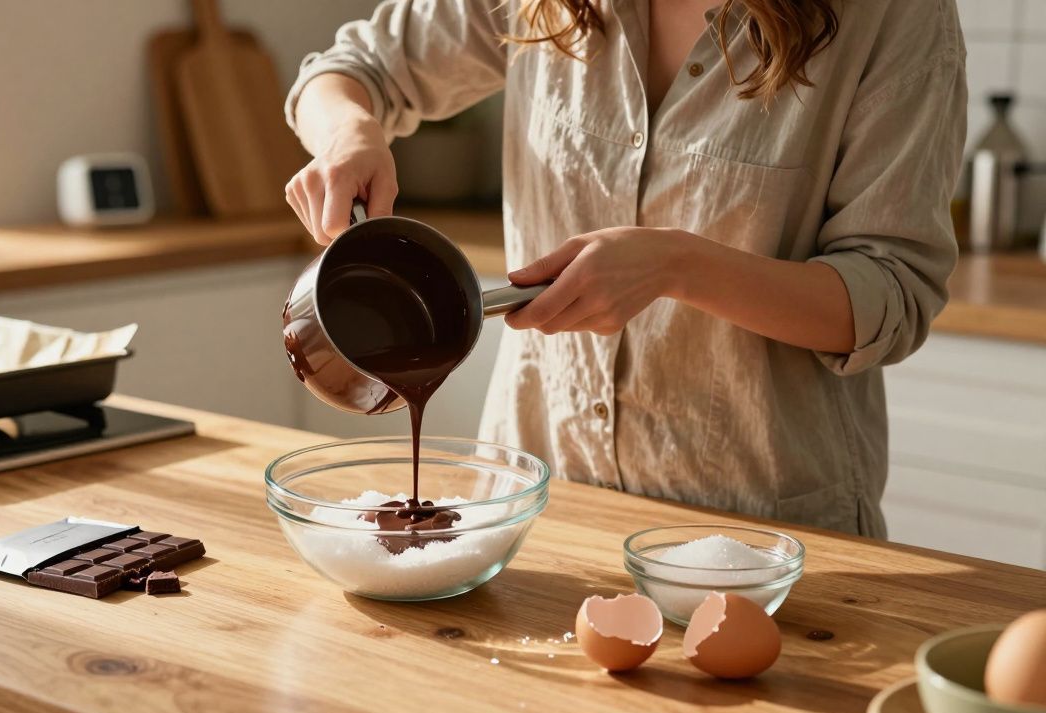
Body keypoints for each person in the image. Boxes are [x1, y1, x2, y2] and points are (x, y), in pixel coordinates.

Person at [283, 0, 966, 537]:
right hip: (536, 513)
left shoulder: (891, 15)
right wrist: (349, 132)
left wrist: (679, 266)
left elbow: (891, 293)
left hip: (760, 537)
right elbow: (351, 69)